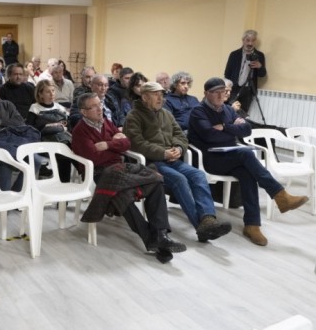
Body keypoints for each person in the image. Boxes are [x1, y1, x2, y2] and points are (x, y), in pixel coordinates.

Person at [188, 77, 309, 246]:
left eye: (222, 92)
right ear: (206, 94)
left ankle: (252, 225)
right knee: (246, 154)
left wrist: (225, 127)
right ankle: (280, 195)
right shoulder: (198, 112)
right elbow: (209, 135)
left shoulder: (228, 110)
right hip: (211, 159)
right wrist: (231, 129)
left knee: (247, 173)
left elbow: (246, 130)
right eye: (215, 93)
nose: (220, 96)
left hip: (231, 155)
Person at [73, 93, 186, 263]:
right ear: (83, 111)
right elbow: (94, 157)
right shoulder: (80, 131)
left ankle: (160, 233)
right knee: (121, 194)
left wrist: (108, 145)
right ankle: (152, 239)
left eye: (100, 104)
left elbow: (127, 144)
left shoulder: (107, 123)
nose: (99, 109)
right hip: (98, 172)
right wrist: (116, 144)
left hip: (120, 167)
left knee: (155, 181)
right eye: (94, 106)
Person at [125, 81, 232, 242]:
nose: (160, 98)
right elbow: (137, 143)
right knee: (179, 179)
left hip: (172, 159)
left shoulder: (166, 114)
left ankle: (208, 218)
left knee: (198, 175)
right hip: (150, 162)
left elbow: (180, 135)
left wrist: (179, 149)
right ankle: (201, 226)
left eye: (162, 95)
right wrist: (163, 153)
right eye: (156, 95)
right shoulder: (133, 116)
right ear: (145, 97)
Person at [27, 79, 72, 181]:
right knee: (64, 153)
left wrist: (52, 126)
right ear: (40, 94)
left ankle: (68, 181)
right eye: (48, 91)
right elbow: (32, 128)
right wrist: (54, 126)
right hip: (45, 141)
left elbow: (67, 125)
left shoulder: (59, 107)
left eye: (53, 90)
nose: (51, 94)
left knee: (68, 150)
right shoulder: (35, 108)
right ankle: (63, 183)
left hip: (63, 139)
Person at [224, 29, 267, 113]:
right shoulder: (234, 54)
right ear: (243, 40)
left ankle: (240, 125)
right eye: (247, 40)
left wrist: (260, 66)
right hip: (233, 88)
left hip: (248, 90)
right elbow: (227, 73)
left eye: (253, 40)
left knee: (243, 113)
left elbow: (262, 74)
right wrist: (228, 87)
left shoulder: (259, 56)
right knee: (230, 110)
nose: (250, 43)